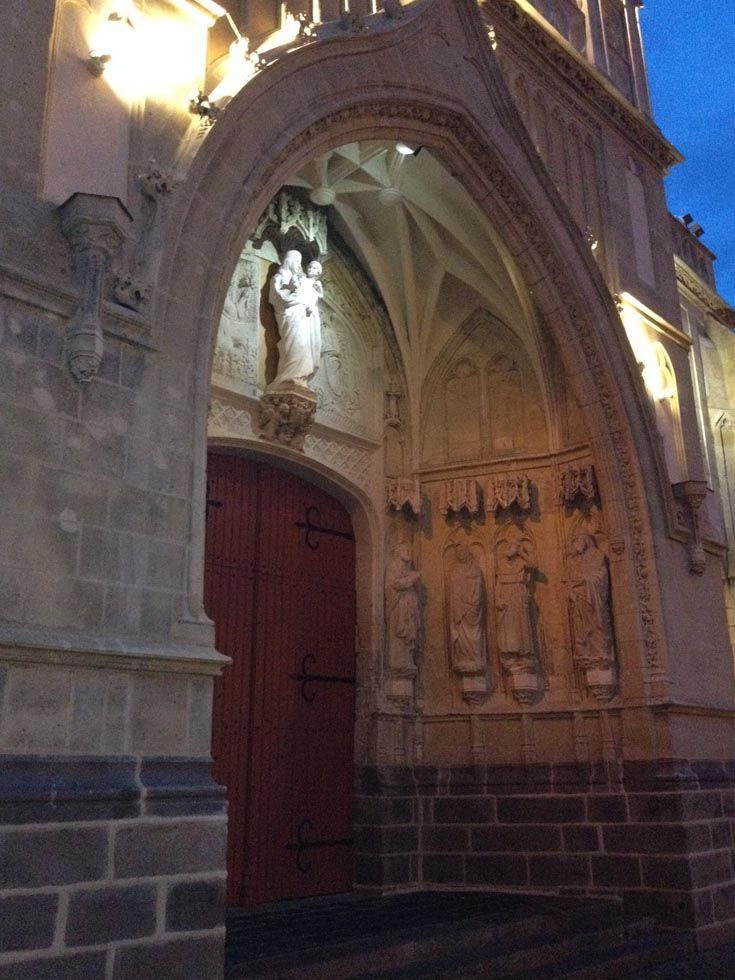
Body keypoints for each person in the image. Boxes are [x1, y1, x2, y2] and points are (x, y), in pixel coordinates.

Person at [268, 250, 323, 387]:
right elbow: (277, 297)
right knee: (294, 344)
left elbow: (316, 296)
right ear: (289, 261)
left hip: (304, 315)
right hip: (292, 314)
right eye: (297, 261)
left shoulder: (306, 281)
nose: (300, 265)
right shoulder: (280, 276)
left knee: (303, 344)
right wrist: (291, 290)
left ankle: (299, 377)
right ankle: (287, 377)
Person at [567, 529, 614, 667]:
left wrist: (586, 580)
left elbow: (601, 577)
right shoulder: (574, 560)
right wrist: (572, 590)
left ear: (586, 539)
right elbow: (568, 580)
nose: (575, 543)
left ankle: (600, 653)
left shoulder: (597, 555)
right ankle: (586, 653)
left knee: (597, 623)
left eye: (578, 539)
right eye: (574, 540)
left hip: (593, 597)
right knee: (581, 626)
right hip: (579, 598)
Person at [448, 545, 487, 672]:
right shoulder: (454, 570)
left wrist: (474, 600)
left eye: (462, 551)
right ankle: (463, 658)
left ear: (467, 552)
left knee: (475, 633)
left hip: (473, 606)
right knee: (461, 633)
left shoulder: (475, 569)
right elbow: (453, 588)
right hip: (459, 607)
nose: (460, 554)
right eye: (458, 552)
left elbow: (479, 585)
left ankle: (477, 659)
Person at [384, 544, 422, 673]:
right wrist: (412, 578)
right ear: (398, 552)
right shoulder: (393, 566)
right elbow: (395, 584)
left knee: (408, 634)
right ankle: (398, 663)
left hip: (407, 606)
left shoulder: (406, 569)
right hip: (398, 606)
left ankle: (407, 661)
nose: (408, 551)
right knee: (399, 633)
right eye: (405, 550)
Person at [495, 538, 534, 659]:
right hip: (506, 595)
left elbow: (533, 565)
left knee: (520, 621)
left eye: (513, 547)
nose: (509, 549)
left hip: (518, 593)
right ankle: (510, 650)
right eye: (509, 546)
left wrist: (522, 553)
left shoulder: (521, 562)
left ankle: (523, 650)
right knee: (507, 624)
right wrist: (498, 598)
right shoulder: (501, 563)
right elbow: (498, 582)